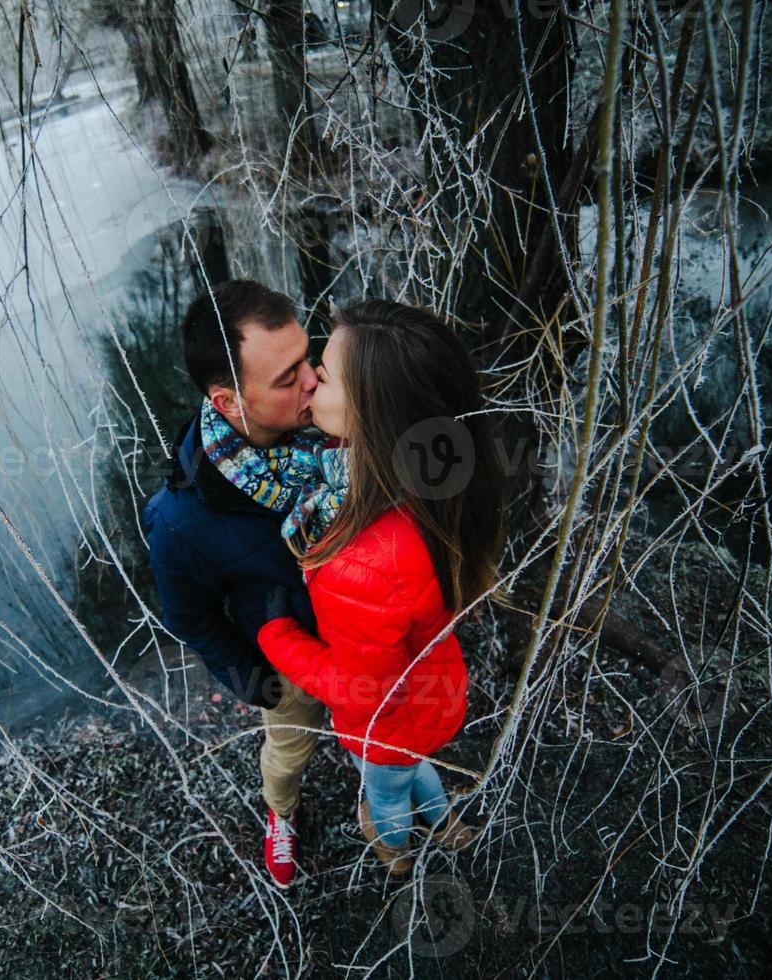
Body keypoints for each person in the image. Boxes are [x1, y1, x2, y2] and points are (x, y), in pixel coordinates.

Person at [256, 299, 506, 876]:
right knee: (414, 766)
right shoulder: (432, 486)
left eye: (327, 373)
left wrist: (277, 635)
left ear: (376, 412)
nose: (310, 380)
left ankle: (394, 851)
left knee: (386, 790)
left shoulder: (367, 559)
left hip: (387, 720)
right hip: (432, 690)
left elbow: (361, 690)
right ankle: (445, 825)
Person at [140, 280, 327, 889]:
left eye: (309, 357)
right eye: (286, 377)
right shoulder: (180, 520)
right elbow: (193, 620)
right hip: (291, 659)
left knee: (378, 733)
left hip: (367, 637)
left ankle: (395, 795)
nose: (313, 381)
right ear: (228, 402)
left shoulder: (339, 422)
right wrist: (256, 683)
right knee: (288, 753)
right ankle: (281, 813)